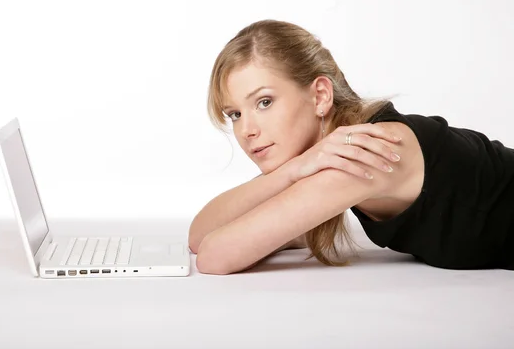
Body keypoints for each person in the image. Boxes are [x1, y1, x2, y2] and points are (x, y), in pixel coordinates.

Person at [188, 19, 514, 275]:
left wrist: (295, 172)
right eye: (235, 114)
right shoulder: (326, 157)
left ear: (320, 96)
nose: (247, 130)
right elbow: (199, 238)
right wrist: (291, 172)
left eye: (264, 102)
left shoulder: (365, 152)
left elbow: (215, 256)